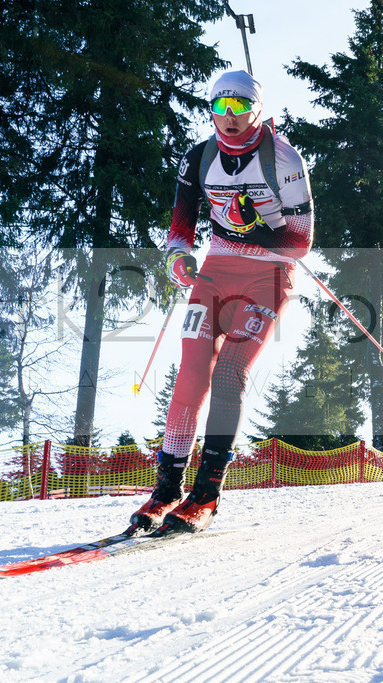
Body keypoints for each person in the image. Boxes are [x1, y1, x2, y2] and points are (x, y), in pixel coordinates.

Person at [131, 70, 314, 534]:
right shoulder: (198, 158)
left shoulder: (285, 160)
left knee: (231, 370)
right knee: (191, 369)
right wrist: (178, 261)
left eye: (239, 108)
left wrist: (254, 226)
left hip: (270, 272)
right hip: (215, 269)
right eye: (219, 107)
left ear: (255, 110)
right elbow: (180, 229)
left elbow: (301, 240)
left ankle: (207, 493)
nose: (228, 118)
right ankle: (167, 488)